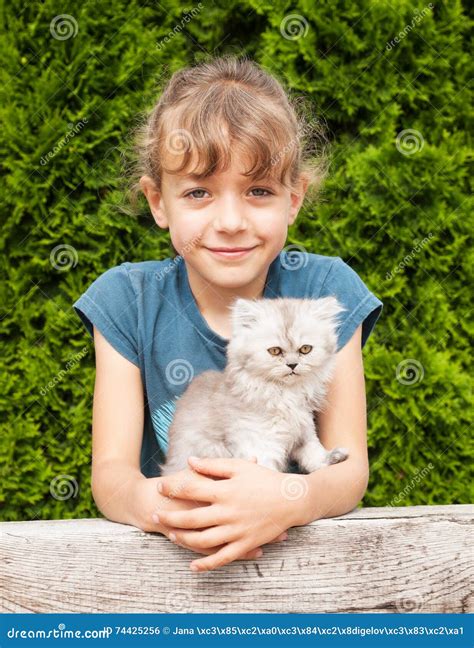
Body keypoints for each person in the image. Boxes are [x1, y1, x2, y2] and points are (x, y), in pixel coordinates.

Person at [73, 55, 383, 573]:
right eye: (199, 192)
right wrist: (172, 509)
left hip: (299, 574)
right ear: (158, 202)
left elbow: (348, 469)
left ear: (294, 199)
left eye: (258, 191)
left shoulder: (327, 290)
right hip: (168, 575)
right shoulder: (127, 300)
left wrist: (288, 498)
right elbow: (111, 474)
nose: (232, 221)